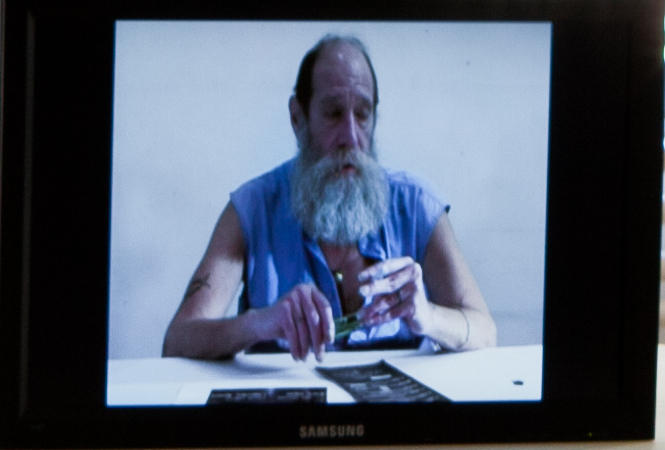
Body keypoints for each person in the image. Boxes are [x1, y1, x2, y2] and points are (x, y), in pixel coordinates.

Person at [161, 32, 498, 360]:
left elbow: (484, 330)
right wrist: (258, 324)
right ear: (298, 117)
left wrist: (429, 317)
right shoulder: (253, 208)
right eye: (334, 113)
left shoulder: (417, 206)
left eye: (362, 114)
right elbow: (178, 340)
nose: (350, 137)